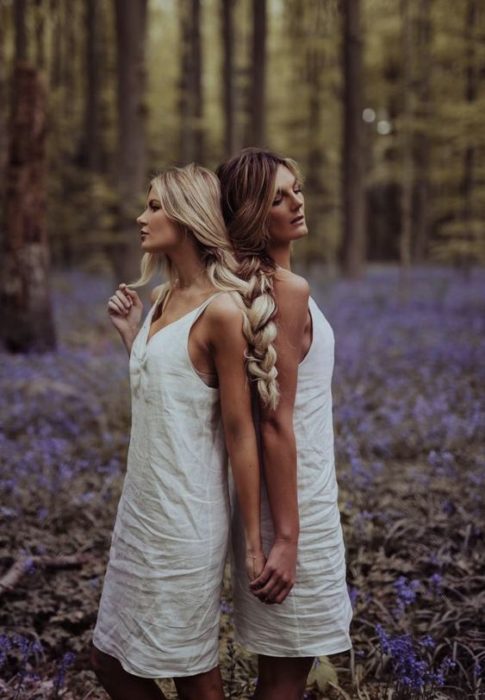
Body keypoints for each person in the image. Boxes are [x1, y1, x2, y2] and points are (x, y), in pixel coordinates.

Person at [91, 163, 268, 700]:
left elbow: (241, 432)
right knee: (109, 661)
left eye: (153, 206)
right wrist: (133, 335)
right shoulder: (164, 299)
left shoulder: (222, 312)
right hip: (141, 512)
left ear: (188, 217)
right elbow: (166, 395)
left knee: (194, 672)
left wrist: (255, 543)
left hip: (186, 521)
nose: (140, 217)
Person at [217, 148, 353, 700]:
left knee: (281, 672)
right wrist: (289, 540)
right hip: (294, 506)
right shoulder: (284, 292)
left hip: (292, 495)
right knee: (285, 677)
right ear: (251, 214)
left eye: (296, 188)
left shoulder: (257, 290)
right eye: (278, 197)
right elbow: (273, 423)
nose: (296, 202)